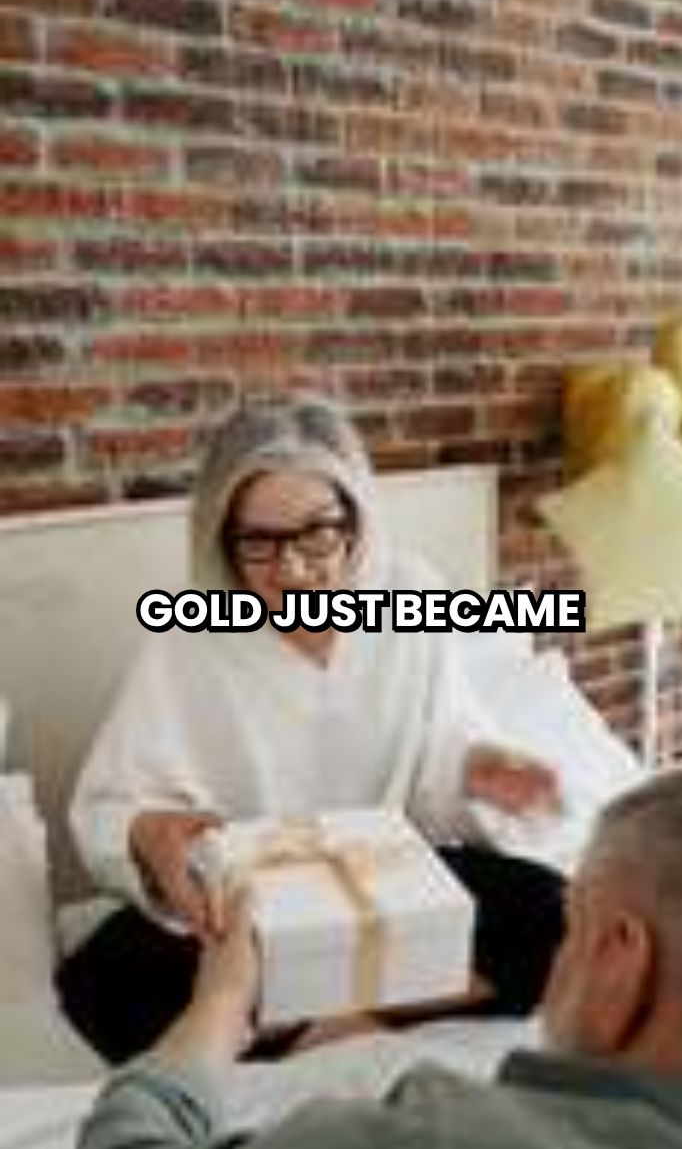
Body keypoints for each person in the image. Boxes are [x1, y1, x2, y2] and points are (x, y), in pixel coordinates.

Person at [56, 398, 564, 1062]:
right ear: (222, 538)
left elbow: (440, 756)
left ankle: (323, 1013)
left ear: (357, 519)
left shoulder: (409, 593)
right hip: (250, 915)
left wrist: (477, 770)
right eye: (259, 544)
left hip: (386, 885)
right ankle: (339, 1001)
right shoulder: (187, 639)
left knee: (558, 912)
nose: (293, 570)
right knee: (97, 982)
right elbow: (111, 804)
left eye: (317, 534)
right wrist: (148, 835)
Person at [56, 764, 682, 1149]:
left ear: (620, 962)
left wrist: (221, 1005)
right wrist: (143, 832)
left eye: (574, 929)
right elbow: (117, 814)